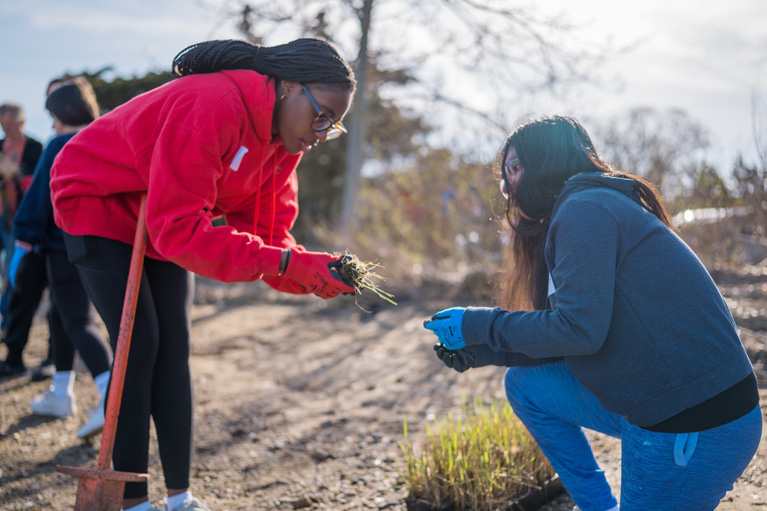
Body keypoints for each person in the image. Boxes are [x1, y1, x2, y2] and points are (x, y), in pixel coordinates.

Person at [50, 38, 357, 511]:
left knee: (176, 344)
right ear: (289, 87)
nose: (323, 131)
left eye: (333, 125)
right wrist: (284, 262)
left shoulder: (283, 145)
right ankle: (131, 500)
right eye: (321, 116)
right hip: (100, 197)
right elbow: (180, 231)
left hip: (164, 211)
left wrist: (314, 273)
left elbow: (271, 239)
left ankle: (179, 497)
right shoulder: (212, 103)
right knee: (141, 341)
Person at [423, 115, 762, 511]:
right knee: (527, 385)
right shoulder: (584, 208)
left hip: (695, 422)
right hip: (663, 402)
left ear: (548, 161)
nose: (508, 187)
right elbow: (574, 332)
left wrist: (477, 322)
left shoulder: (585, 210)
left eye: (514, 169)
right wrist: (481, 349)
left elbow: (578, 330)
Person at [13, 80, 113, 440]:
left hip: (64, 246)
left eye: (53, 116)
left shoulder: (59, 143)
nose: (52, 125)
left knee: (77, 320)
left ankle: (109, 394)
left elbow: (39, 199)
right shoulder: (108, 136)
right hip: (107, 243)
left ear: (63, 113)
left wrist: (23, 242)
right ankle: (61, 391)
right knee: (60, 314)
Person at [0, 103, 47, 379]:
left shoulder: (35, 147)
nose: (7, 130)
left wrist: (14, 173)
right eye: (3, 126)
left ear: (22, 122)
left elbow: (36, 182)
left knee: (14, 276)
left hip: (21, 223)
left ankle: (8, 325)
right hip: (2, 216)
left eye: (10, 125)